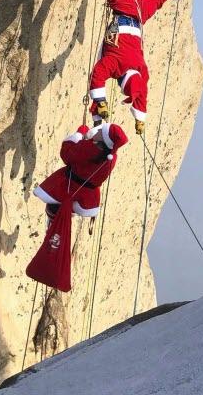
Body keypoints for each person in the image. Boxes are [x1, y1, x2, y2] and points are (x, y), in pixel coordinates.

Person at [87, 0, 181, 132]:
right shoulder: (115, 64)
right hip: (124, 9)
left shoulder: (141, 70)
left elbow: (142, 93)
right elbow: (97, 74)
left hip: (139, 15)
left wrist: (140, 120)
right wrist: (100, 100)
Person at [25, 122, 129, 292]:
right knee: (62, 211)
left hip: (69, 185)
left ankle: (54, 230)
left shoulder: (91, 149)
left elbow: (67, 153)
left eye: (99, 133)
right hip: (87, 195)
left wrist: (79, 135)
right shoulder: (111, 155)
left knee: (53, 206)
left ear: (102, 140)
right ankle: (58, 230)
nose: (95, 133)